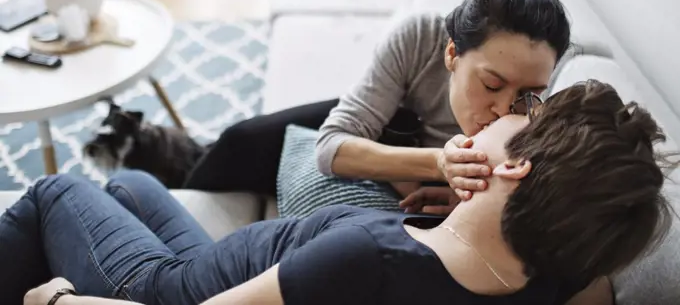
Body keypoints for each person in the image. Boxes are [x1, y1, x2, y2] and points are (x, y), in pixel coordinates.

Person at [6, 80, 673, 305]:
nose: (498, 117)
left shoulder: (368, 255)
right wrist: (480, 207)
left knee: (57, 189)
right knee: (131, 182)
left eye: (517, 118)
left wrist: (62, 298)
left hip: (182, 288)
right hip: (232, 259)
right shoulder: (553, 274)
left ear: (516, 168)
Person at [184, 0, 572, 213]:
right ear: (452, 52)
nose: (505, 109)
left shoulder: (550, 102)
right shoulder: (421, 38)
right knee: (237, 142)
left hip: (394, 162)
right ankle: (166, 153)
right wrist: (439, 163)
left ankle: (161, 148)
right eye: (491, 85)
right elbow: (330, 147)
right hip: (392, 125)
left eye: (527, 94)